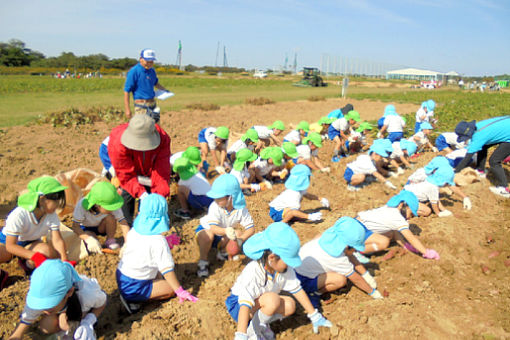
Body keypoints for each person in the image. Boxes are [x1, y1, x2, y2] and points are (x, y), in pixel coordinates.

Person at [226, 222, 332, 339]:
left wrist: (314, 315)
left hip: (260, 302)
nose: (289, 264)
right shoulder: (254, 270)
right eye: (287, 260)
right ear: (272, 258)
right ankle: (253, 331)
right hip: (240, 306)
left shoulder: (284, 269)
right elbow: (245, 303)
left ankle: (260, 325)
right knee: (273, 300)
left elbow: (297, 290)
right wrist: (241, 335)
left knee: (290, 305)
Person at [295, 217, 384, 309]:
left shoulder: (324, 238)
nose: (355, 251)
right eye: (355, 248)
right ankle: (315, 293)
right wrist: (373, 292)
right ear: (347, 246)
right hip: (302, 281)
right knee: (340, 280)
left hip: (294, 269)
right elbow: (356, 279)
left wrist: (365, 274)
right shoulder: (338, 259)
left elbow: (349, 255)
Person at [8, 260, 106, 340]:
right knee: (46, 326)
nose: (45, 310)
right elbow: (25, 321)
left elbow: (102, 303)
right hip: (62, 309)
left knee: (68, 326)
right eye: (41, 305)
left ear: (69, 292)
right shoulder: (40, 295)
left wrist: (88, 321)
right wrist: (15, 336)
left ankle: (79, 329)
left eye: (50, 303)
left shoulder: (87, 294)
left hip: (79, 309)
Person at [108, 114, 171, 227]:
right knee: (126, 193)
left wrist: (158, 196)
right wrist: (142, 194)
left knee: (151, 188)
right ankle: (127, 224)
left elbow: (161, 171)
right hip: (128, 171)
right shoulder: (118, 143)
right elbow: (126, 175)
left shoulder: (163, 139)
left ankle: (145, 219)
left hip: (148, 170)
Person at [0, 177, 70, 277]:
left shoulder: (51, 215)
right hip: (7, 244)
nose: (59, 203)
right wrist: (34, 256)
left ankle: (27, 266)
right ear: (42, 199)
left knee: (48, 252)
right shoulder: (19, 214)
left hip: (30, 243)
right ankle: (3, 276)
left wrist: (65, 260)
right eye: (56, 199)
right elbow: (10, 246)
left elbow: (57, 240)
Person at [196, 174, 256, 278]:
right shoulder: (215, 206)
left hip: (222, 234)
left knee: (237, 233)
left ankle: (222, 251)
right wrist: (226, 231)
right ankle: (203, 262)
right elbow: (213, 228)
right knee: (208, 235)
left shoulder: (240, 208)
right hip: (207, 230)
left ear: (231, 197)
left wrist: (241, 239)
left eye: (219, 197)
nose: (215, 200)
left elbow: (251, 228)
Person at [356, 190, 440, 260]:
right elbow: (411, 238)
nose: (410, 218)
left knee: (390, 233)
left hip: (357, 224)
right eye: (411, 214)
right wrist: (425, 252)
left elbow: (396, 234)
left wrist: (405, 246)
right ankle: (357, 252)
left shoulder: (389, 209)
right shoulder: (397, 217)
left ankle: (361, 246)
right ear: (404, 206)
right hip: (356, 231)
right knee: (384, 242)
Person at [454, 117, 510, 198]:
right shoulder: (478, 126)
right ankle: (481, 170)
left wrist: (455, 172)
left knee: (494, 161)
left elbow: (467, 157)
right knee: (483, 146)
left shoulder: (479, 136)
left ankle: (504, 189)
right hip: (506, 128)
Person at [70, 181, 128, 252]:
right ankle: (92, 237)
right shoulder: (82, 205)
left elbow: (123, 223)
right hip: (86, 228)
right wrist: (88, 239)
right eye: (109, 207)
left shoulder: (111, 201)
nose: (112, 209)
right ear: (98, 205)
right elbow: (75, 227)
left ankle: (110, 241)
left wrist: (127, 242)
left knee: (110, 218)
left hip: (101, 226)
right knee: (94, 242)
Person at [124, 49, 171, 120]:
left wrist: (164, 90)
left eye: (151, 62)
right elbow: (127, 90)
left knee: (156, 128)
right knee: (143, 129)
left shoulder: (152, 71)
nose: (149, 64)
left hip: (153, 105)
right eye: (147, 61)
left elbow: (155, 83)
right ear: (141, 59)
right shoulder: (134, 71)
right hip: (141, 106)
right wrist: (127, 109)